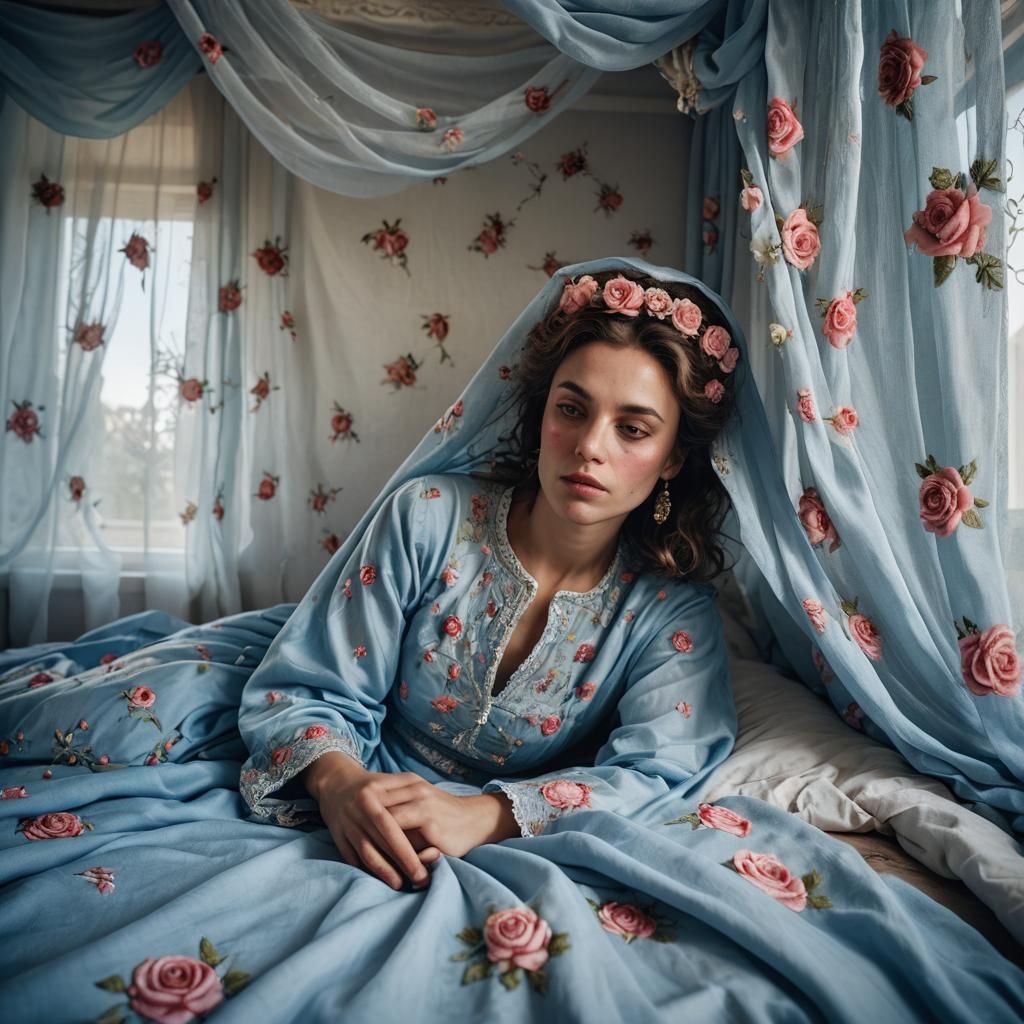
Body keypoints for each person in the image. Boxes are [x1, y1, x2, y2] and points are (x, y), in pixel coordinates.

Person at [237, 264, 743, 890]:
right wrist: (338, 782)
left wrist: (485, 814)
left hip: (498, 836)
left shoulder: (671, 617)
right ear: (542, 418)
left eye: (632, 429)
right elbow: (312, 685)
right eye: (571, 409)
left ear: (672, 459)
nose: (589, 445)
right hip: (342, 777)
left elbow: (659, 771)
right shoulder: (427, 518)